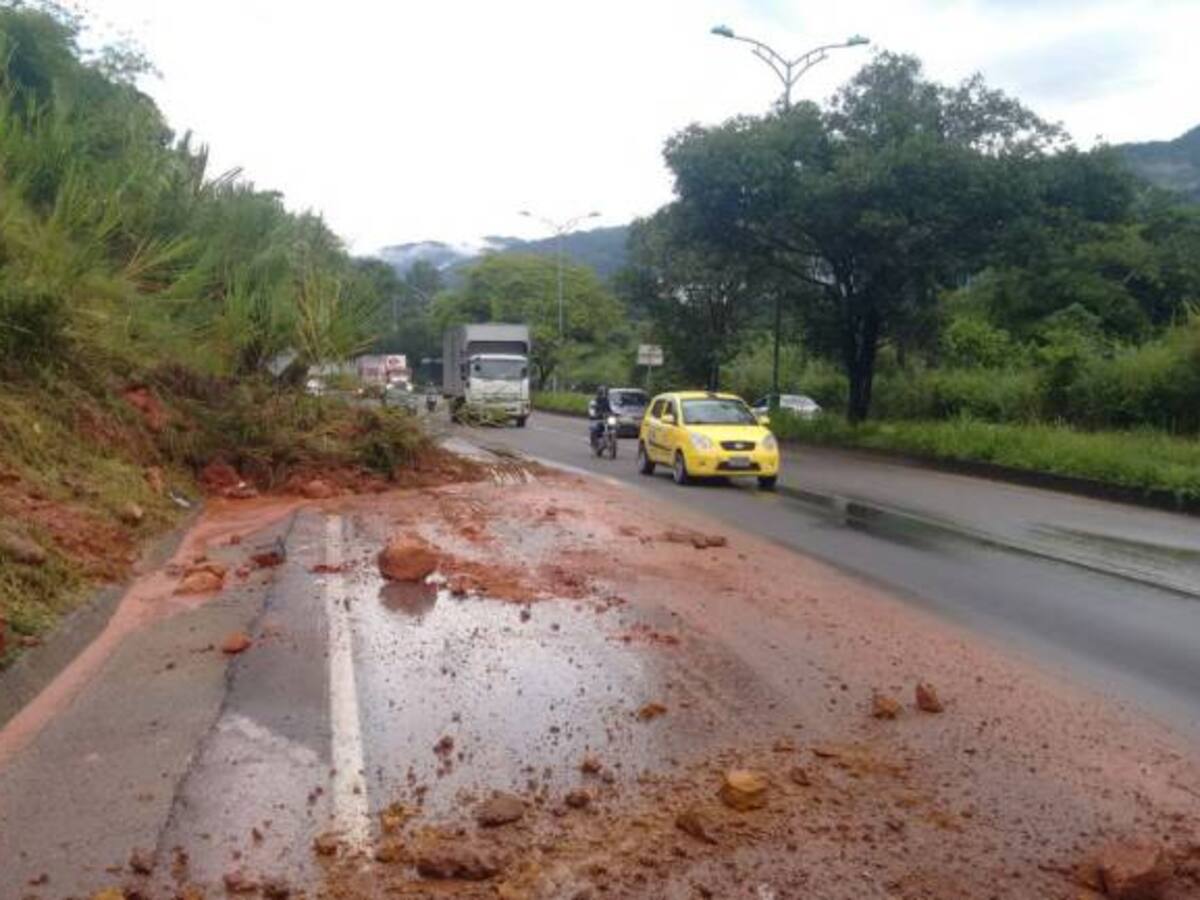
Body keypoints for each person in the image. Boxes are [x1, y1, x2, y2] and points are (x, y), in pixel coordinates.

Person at [589, 385, 611, 450]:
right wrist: (593, 415)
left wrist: (614, 414)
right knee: (594, 429)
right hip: (597, 419)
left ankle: (611, 440)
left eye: (605, 393)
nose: (603, 395)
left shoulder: (608, 401)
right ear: (598, 393)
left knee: (613, 426)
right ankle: (594, 443)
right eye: (602, 393)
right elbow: (591, 409)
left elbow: (611, 409)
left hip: (605, 418)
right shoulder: (594, 401)